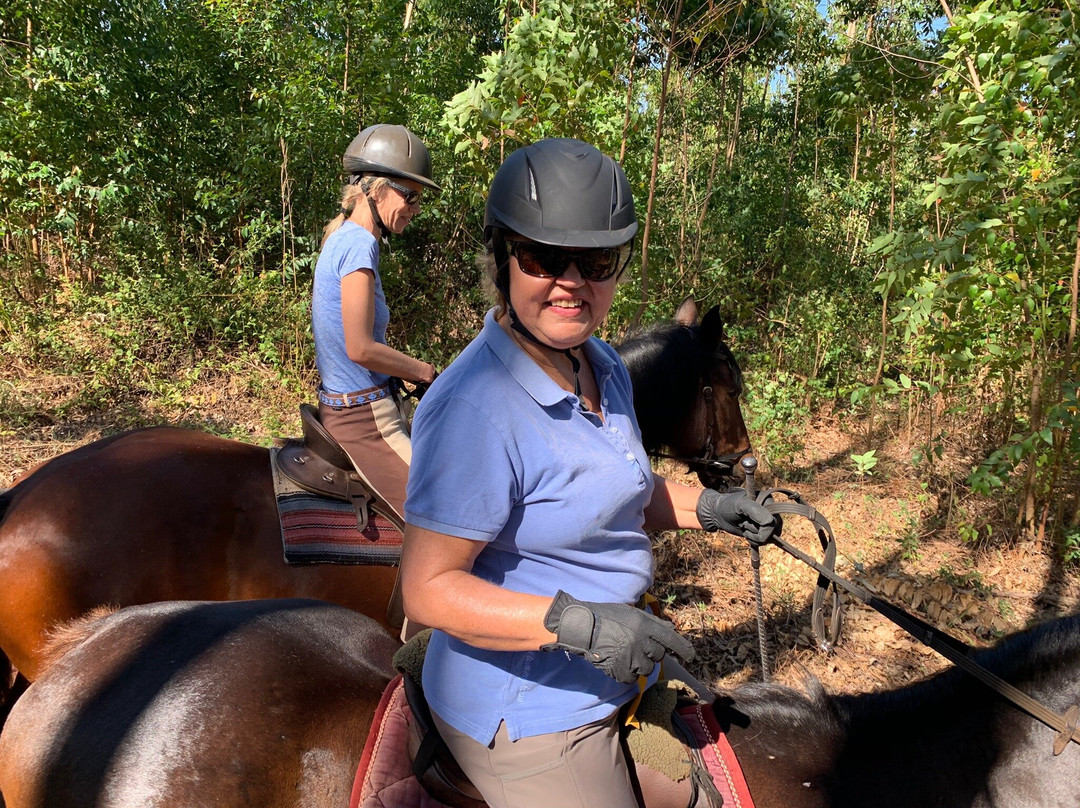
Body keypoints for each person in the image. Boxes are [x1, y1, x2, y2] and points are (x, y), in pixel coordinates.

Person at [400, 138, 779, 808]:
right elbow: (429, 592)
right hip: (531, 703)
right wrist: (585, 625)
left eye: (597, 261)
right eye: (544, 258)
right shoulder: (473, 408)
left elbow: (617, 493)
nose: (572, 280)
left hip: (625, 659)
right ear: (502, 258)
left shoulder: (601, 365)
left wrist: (712, 510)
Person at [311, 123, 439, 521]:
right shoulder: (359, 244)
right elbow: (360, 348)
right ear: (375, 189)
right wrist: (423, 371)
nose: (416, 209)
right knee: (442, 513)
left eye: (419, 200)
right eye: (411, 196)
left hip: (358, 407)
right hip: (364, 421)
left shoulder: (343, 238)